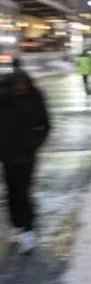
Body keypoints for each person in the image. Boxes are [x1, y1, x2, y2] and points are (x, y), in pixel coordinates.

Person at [0, 70, 50, 254]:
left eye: (24, 84)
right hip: (7, 155)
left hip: (27, 154)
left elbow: (45, 124)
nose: (21, 88)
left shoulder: (35, 98)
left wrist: (34, 143)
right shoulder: (4, 100)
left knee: (24, 191)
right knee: (11, 191)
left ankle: (28, 228)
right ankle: (16, 224)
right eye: (17, 85)